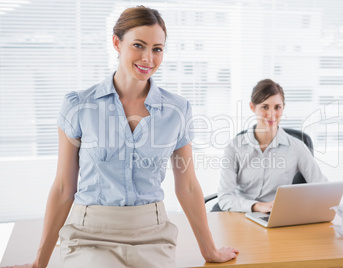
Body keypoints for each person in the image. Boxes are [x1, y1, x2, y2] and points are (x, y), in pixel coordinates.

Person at [15, 6, 238, 268]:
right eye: (138, 45)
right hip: (90, 235)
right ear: (116, 43)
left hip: (152, 234)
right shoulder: (78, 105)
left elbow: (187, 186)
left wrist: (209, 250)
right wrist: (39, 262)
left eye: (157, 49)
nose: (148, 58)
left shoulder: (177, 110)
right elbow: (64, 188)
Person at [218, 79, 328, 213]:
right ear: (252, 107)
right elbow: (225, 198)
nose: (272, 114)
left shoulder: (296, 147)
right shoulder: (235, 147)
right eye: (265, 107)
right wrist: (256, 206)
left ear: (283, 107)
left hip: (276, 215)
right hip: (240, 213)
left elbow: (323, 187)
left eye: (277, 107)